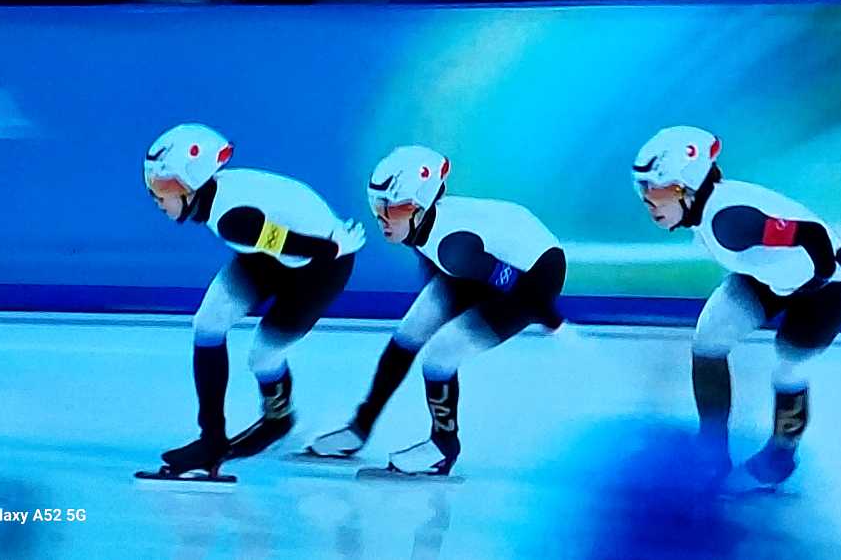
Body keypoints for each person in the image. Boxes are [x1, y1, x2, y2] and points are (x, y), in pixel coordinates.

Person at [308, 145, 567, 476]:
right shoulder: (426, 229)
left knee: (439, 358)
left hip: (535, 276)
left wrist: (553, 321)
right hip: (483, 263)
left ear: (419, 207)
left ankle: (443, 447)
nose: (383, 220)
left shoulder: (452, 248)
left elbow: (516, 286)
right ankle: (359, 428)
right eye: (377, 207)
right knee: (408, 335)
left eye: (395, 209)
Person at [631, 126, 841, 485]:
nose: (648, 201)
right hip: (776, 276)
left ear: (687, 187)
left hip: (831, 284)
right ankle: (712, 450)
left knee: (788, 367)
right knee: (709, 339)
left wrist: (817, 281)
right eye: (642, 189)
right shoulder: (710, 213)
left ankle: (780, 457)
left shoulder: (730, 222)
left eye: (657, 189)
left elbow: (812, 236)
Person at [139, 123, 364, 479]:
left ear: (195, 182)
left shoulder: (233, 219)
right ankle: (211, 439)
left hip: (320, 266)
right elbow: (276, 241)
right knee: (208, 323)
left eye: (165, 187)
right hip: (272, 253)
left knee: (263, 355)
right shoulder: (222, 202)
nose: (156, 198)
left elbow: (297, 246)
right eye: (152, 184)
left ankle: (278, 418)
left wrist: (335, 247)